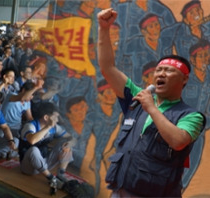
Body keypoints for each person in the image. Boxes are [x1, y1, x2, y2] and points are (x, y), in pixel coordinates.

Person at [97, 8, 205, 197]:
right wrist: (103, 29)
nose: (161, 73)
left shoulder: (191, 116)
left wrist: (151, 108)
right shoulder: (139, 98)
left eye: (169, 71)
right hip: (120, 191)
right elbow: (108, 67)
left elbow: (179, 141)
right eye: (159, 70)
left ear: (184, 80)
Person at [19, 102, 73, 188]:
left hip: (45, 164)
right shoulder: (30, 126)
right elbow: (32, 140)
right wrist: (47, 127)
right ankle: (51, 178)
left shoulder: (54, 128)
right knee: (34, 150)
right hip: (28, 167)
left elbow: (71, 136)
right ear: (46, 117)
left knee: (65, 144)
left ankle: (61, 174)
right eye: (55, 117)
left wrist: (70, 143)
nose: (57, 120)